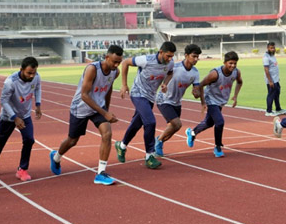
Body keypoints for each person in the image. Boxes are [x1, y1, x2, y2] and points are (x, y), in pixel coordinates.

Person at [50, 45, 123, 185]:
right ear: (107, 57)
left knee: (107, 134)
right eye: (114, 61)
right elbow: (84, 95)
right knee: (72, 141)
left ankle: (101, 173)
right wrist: (105, 113)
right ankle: (56, 157)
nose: (116, 65)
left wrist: (106, 110)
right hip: (81, 107)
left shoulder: (115, 72)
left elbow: (108, 90)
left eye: (119, 62)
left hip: (98, 108)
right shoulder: (92, 69)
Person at [114, 41, 176, 169]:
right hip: (138, 93)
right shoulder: (146, 60)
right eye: (168, 56)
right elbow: (125, 62)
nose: (170, 59)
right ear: (161, 52)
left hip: (150, 96)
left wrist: (165, 83)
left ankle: (121, 146)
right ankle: (149, 155)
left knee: (137, 123)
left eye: (171, 56)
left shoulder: (170, 63)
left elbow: (170, 72)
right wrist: (124, 84)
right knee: (150, 122)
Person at [0, 57, 41, 181]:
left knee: (29, 139)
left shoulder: (36, 76)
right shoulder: (10, 82)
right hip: (8, 116)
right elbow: (4, 101)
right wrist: (14, 118)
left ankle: (22, 169)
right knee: (1, 140)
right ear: (21, 69)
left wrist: (38, 105)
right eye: (29, 73)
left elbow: (38, 88)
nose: (32, 76)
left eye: (34, 72)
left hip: (25, 114)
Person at [185, 51, 243, 157]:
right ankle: (218, 147)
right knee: (219, 122)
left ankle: (192, 133)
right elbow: (201, 85)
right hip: (211, 99)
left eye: (235, 63)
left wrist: (235, 96)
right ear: (224, 62)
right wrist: (203, 102)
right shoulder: (215, 74)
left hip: (221, 100)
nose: (233, 66)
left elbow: (240, 82)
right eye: (230, 63)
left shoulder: (236, 72)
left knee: (209, 123)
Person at [154, 44, 203, 157]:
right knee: (177, 124)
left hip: (176, 102)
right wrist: (163, 85)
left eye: (197, 57)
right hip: (164, 99)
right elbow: (162, 76)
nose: (196, 59)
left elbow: (196, 90)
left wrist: (196, 93)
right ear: (186, 55)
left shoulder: (195, 72)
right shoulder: (175, 68)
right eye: (194, 56)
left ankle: (159, 140)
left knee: (173, 127)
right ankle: (158, 142)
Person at [263, 42, 286, 117]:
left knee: (277, 94)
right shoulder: (266, 57)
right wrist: (270, 81)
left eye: (273, 48)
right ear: (268, 48)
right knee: (271, 95)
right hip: (271, 80)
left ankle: (278, 109)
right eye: (271, 48)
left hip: (276, 79)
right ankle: (268, 111)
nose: (273, 49)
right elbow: (266, 70)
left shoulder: (272, 56)